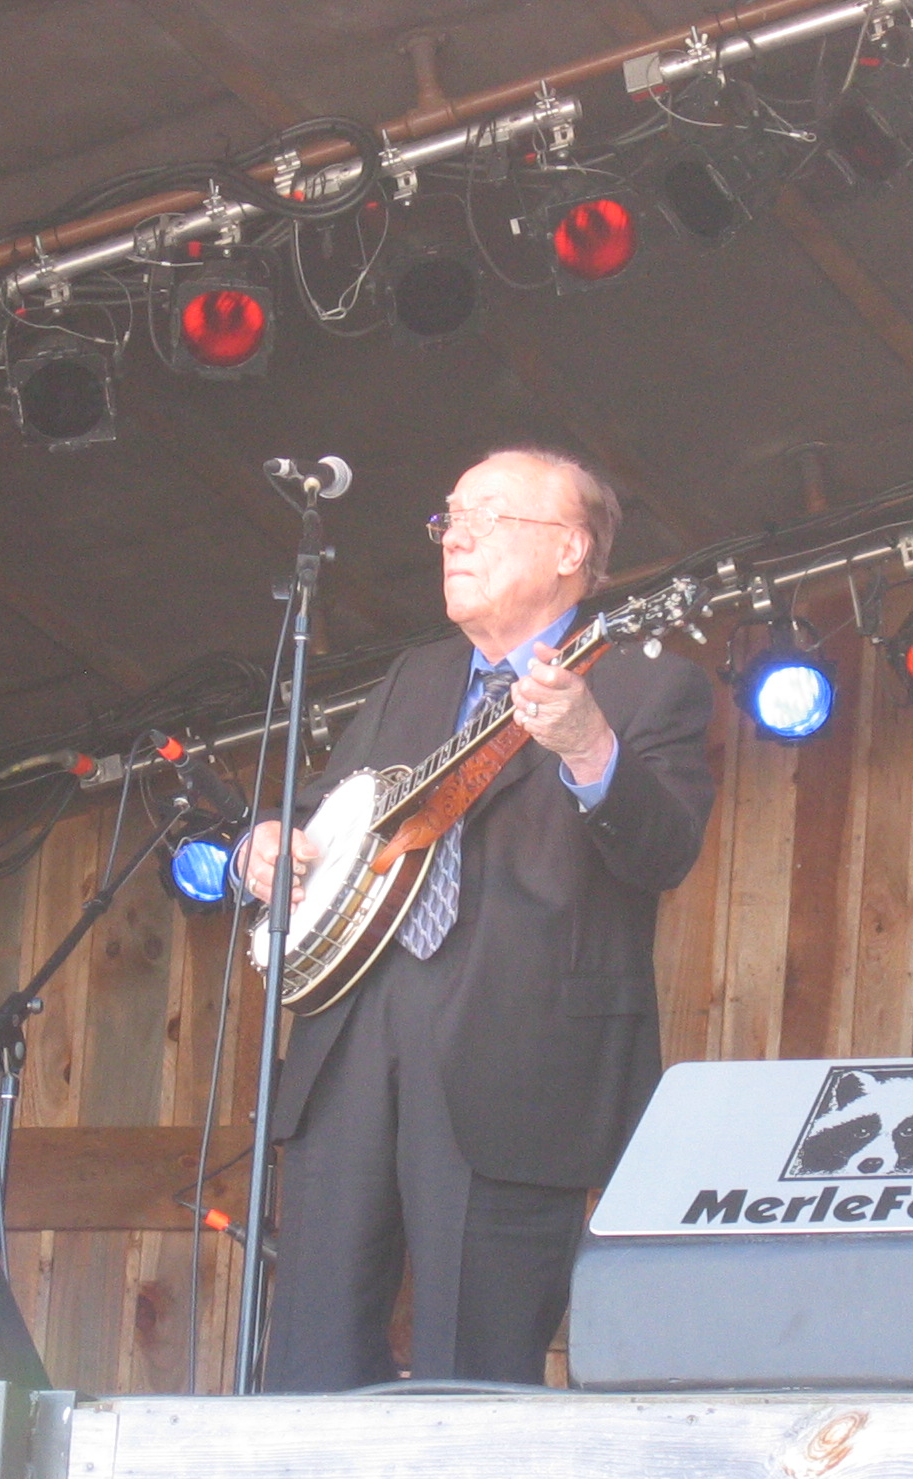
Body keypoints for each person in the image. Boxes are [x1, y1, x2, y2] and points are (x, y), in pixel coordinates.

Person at [239, 443, 715, 1390]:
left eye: (487, 518)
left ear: (572, 550)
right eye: (449, 519)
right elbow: (329, 811)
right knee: (306, 1364)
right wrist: (271, 848)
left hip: (518, 1059)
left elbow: (664, 852)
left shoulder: (646, 684)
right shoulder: (415, 676)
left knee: (478, 1374)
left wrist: (589, 748)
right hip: (351, 1043)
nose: (455, 538)